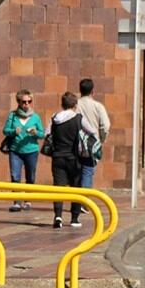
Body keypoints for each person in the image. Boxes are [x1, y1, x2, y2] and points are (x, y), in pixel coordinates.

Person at [47, 92, 97, 229]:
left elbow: (47, 134)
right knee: (76, 188)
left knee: (58, 188)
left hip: (57, 158)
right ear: (75, 105)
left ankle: (58, 216)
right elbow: (91, 131)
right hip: (74, 158)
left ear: (62, 104)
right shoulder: (78, 118)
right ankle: (74, 218)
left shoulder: (54, 118)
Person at [3, 89, 45, 212]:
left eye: (29, 101)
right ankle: (16, 202)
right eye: (24, 102)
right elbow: (5, 130)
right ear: (18, 102)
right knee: (15, 176)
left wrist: (35, 132)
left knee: (30, 176)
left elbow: (42, 134)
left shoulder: (35, 117)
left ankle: (28, 200)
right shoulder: (13, 115)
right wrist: (13, 132)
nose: (27, 104)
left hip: (31, 150)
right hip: (15, 151)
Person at [76, 78, 111, 194]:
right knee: (88, 171)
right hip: (92, 143)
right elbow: (105, 125)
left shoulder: (75, 105)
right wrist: (101, 139)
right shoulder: (98, 106)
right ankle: (84, 200)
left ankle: (77, 200)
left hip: (77, 142)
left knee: (78, 171)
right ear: (92, 91)